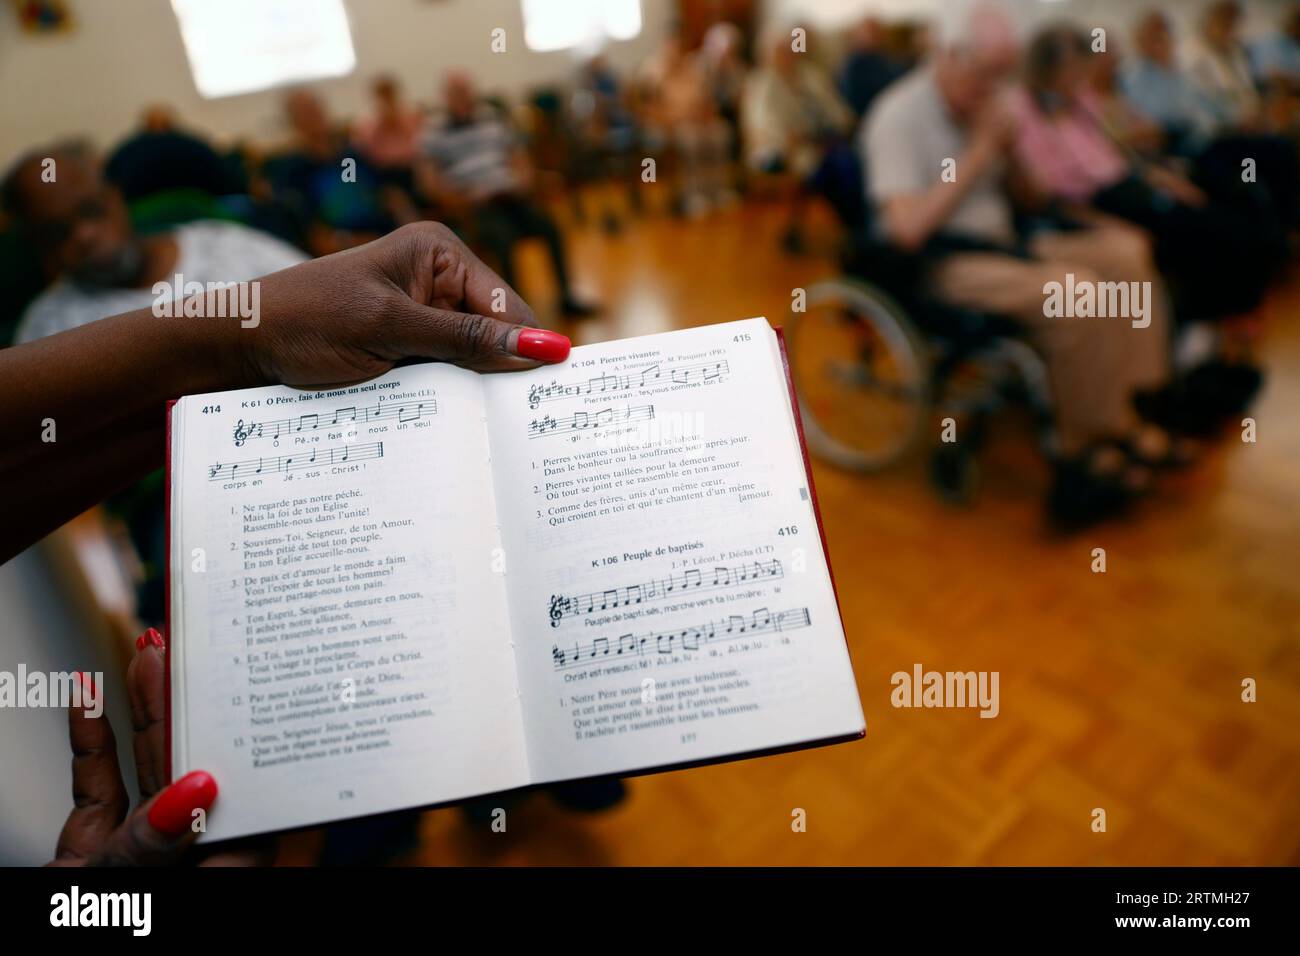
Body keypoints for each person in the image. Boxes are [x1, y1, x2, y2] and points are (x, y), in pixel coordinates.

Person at [2, 222, 572, 865]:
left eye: (88, 212)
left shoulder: (218, 237)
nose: (85, 237)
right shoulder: (49, 317)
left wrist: (247, 344)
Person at [861, 2, 1180, 527]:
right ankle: (1089, 444)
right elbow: (907, 229)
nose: (993, 89)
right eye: (984, 75)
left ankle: (1140, 401)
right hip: (942, 259)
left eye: (1002, 76)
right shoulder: (897, 116)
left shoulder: (987, 104)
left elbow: (1030, 201)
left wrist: (1011, 155)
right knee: (1080, 292)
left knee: (1127, 252)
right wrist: (982, 152)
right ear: (946, 55)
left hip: (1007, 241)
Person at [5, 142, 307, 345]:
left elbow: (316, 299)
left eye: (91, 209)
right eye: (57, 232)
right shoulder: (50, 329)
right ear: (40, 248)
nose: (85, 235)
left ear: (116, 197)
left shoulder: (223, 244)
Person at [263, 89, 419, 256]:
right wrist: (367, 243)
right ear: (293, 122)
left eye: (315, 109)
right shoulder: (292, 172)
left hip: (388, 237)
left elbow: (390, 195)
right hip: (348, 253)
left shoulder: (351, 155)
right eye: (305, 113)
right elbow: (317, 238)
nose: (314, 117)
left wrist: (414, 232)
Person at [350, 75, 425, 192]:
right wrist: (381, 124)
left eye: (389, 94)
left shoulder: (411, 115)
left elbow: (419, 143)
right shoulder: (367, 123)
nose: (387, 99)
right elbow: (365, 150)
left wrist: (398, 122)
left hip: (411, 167)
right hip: (384, 173)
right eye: (382, 95)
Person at [838, 17, 909, 118]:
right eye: (870, 32)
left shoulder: (884, 57)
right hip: (874, 114)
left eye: (877, 31)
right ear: (857, 36)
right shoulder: (855, 65)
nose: (876, 36)